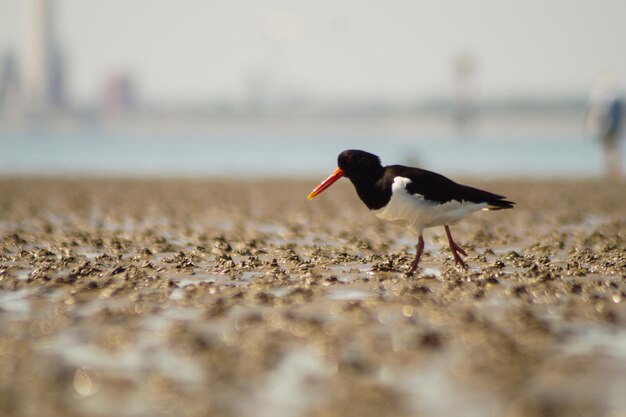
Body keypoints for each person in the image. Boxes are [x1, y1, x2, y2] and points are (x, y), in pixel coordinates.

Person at [588, 76, 624, 178]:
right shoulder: (612, 101)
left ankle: (613, 171)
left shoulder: (610, 102)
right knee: (610, 150)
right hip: (608, 130)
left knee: (610, 151)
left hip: (609, 130)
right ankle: (611, 171)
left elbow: (614, 118)